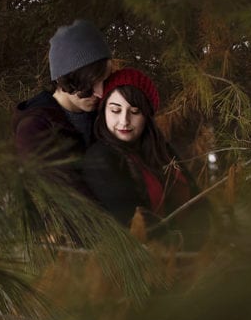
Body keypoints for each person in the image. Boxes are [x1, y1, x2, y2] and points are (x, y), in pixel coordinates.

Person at [82, 68, 201, 244]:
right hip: (154, 252)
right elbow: (132, 222)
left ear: (147, 115)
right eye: (115, 110)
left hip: (199, 249)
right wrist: (184, 242)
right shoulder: (100, 158)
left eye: (135, 111)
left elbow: (199, 200)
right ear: (104, 110)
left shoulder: (162, 150)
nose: (124, 121)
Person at [12, 19, 112, 197]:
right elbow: (68, 202)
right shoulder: (34, 130)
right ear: (65, 80)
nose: (100, 93)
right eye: (89, 84)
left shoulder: (106, 114)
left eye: (104, 81)